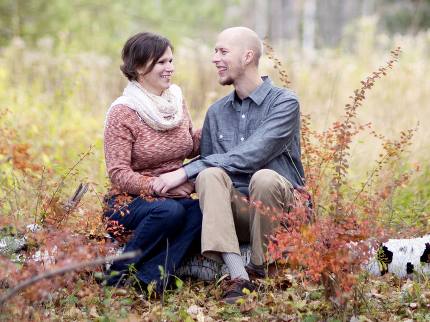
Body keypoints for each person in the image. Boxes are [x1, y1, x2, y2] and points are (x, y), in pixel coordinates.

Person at [151, 26, 306, 302]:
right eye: (214, 51)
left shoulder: (284, 102)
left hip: (283, 213)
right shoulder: (216, 113)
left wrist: (186, 170)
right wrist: (184, 180)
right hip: (239, 215)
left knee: (264, 178)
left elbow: (252, 154)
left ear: (247, 57)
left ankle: (262, 268)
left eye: (223, 51)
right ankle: (240, 277)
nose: (214, 58)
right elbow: (212, 168)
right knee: (209, 176)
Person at [102, 31, 202, 293]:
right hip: (128, 204)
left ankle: (148, 280)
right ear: (139, 68)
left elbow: (190, 145)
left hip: (171, 199)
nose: (170, 68)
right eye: (162, 62)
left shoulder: (175, 101)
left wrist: (226, 123)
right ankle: (115, 277)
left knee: (203, 211)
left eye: (171, 61)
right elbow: (118, 173)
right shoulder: (123, 111)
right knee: (170, 211)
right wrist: (163, 186)